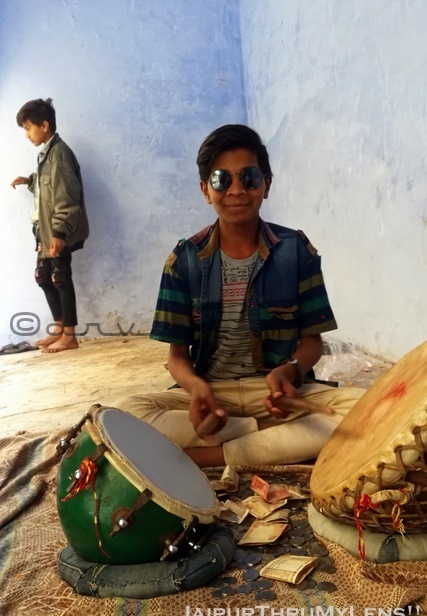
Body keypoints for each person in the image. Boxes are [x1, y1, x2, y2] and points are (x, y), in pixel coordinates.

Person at [115, 124, 364, 467]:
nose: (236, 190)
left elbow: (312, 343)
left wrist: (289, 372)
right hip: (214, 397)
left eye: (249, 178)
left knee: (366, 409)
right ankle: (267, 437)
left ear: (266, 184)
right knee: (124, 413)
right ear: (205, 190)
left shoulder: (296, 252)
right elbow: (177, 358)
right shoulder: (184, 261)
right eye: (221, 180)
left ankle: (213, 454)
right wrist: (194, 387)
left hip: (278, 395)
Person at [11, 98, 89, 353]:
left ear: (44, 125)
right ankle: (58, 328)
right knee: (44, 277)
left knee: (60, 277)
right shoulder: (47, 153)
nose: (26, 134)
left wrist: (59, 232)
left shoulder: (60, 153)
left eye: (28, 127)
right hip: (44, 231)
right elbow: (48, 185)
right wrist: (30, 180)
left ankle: (70, 336)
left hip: (57, 231)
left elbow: (67, 195)